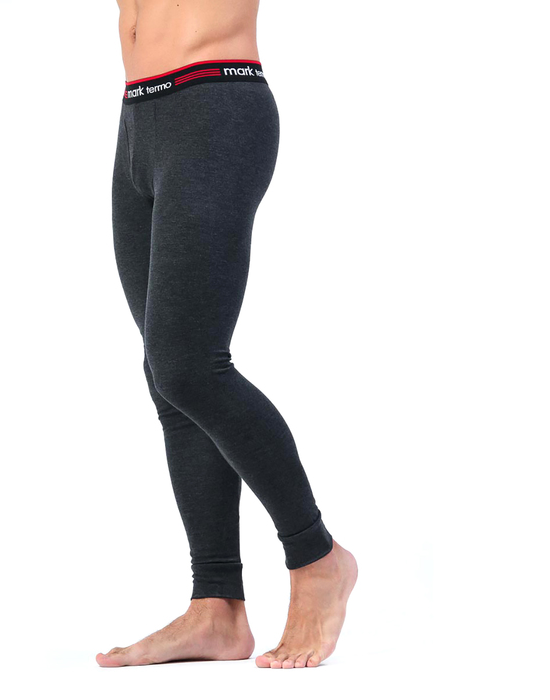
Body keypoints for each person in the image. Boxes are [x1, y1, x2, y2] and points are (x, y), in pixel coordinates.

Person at [97, 0, 358, 670]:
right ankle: (216, 607)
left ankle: (317, 556)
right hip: (138, 119)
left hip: (214, 104)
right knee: (168, 378)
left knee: (189, 366)